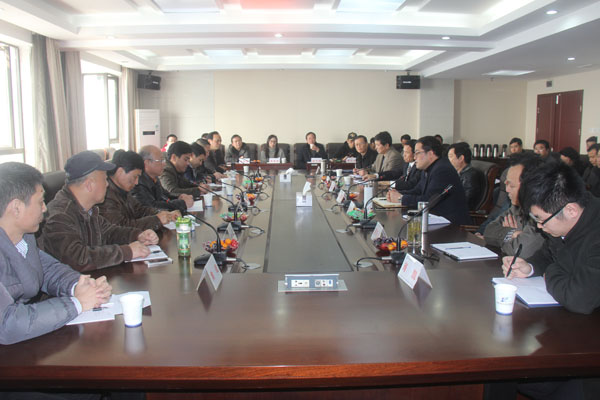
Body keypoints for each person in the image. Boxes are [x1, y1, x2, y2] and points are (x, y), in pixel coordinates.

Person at [0, 162, 112, 345]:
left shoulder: (24, 238)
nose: (45, 208)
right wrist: (77, 303)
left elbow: (47, 269)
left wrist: (79, 286)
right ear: (16, 207)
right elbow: (7, 324)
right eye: (40, 201)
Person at [503, 162, 600, 315]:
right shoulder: (562, 220)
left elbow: (580, 300)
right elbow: (548, 254)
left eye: (541, 220)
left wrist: (549, 274)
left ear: (571, 210)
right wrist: (530, 268)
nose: (539, 226)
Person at [39, 151, 158, 272]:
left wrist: (137, 235)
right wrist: (126, 252)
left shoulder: (87, 208)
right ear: (89, 184)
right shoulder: (60, 215)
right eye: (105, 179)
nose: (107, 184)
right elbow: (77, 258)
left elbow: (108, 232)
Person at [387, 136, 471, 225]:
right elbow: (417, 190)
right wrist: (396, 193)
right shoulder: (428, 168)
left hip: (452, 225)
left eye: (417, 153)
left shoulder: (442, 170)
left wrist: (401, 198)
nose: (414, 157)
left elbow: (429, 200)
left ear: (430, 153)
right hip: (436, 220)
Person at [98, 150, 179, 230]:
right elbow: (121, 227)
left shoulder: (123, 189)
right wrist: (157, 220)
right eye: (135, 177)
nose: (136, 182)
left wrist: (164, 214)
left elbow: (140, 210)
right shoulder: (105, 195)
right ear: (120, 172)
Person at [483, 154, 545, 258]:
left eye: (511, 186)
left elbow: (522, 251)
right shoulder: (517, 207)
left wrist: (505, 240)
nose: (507, 190)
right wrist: (512, 233)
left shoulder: (542, 211)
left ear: (530, 186)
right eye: (506, 184)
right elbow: (488, 231)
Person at [132, 145, 193, 214]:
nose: (164, 164)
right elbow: (151, 206)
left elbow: (165, 195)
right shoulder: (138, 182)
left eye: (163, 160)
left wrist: (179, 197)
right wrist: (182, 203)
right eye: (160, 160)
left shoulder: (154, 178)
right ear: (147, 163)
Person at [448, 142, 484, 210]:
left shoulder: (469, 176)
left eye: (450, 156)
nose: (448, 160)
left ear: (461, 158)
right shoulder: (457, 173)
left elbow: (464, 200)